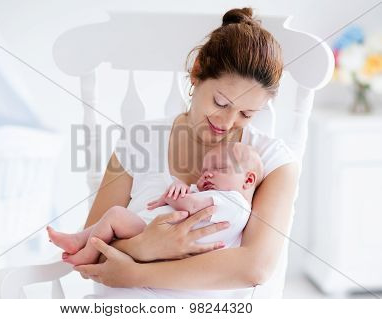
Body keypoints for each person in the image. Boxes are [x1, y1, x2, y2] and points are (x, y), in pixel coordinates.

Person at [73, 7, 299, 298]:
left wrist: (137, 270)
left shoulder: (273, 161)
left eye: (246, 113)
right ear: (196, 74)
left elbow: (254, 267)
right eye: (220, 102)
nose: (227, 123)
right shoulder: (139, 140)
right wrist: (146, 245)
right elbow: (91, 252)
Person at [47, 142, 263, 268]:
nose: (208, 173)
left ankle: (86, 253)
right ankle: (78, 240)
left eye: (220, 168)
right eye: (205, 169)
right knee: (113, 219)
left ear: (248, 180)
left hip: (156, 232)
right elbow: (189, 199)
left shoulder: (234, 202)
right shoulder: (214, 194)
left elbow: (191, 206)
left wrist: (173, 196)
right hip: (155, 233)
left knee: (114, 216)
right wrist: (180, 187)